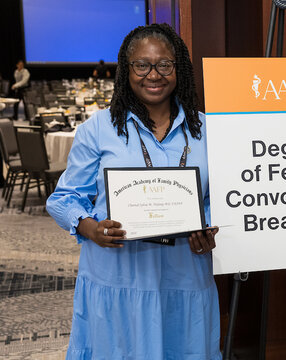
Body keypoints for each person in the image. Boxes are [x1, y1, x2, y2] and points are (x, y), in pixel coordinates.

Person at [46, 24, 222, 359]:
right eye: (142, 65)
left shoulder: (208, 130)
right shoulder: (97, 129)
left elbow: (223, 197)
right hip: (116, 277)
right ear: (127, 71)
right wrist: (90, 228)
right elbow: (64, 198)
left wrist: (209, 225)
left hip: (183, 274)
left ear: (179, 68)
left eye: (164, 65)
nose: (153, 75)